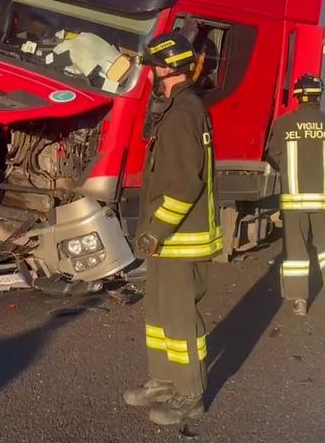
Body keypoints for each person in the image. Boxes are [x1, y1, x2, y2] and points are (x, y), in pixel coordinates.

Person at [123, 32, 221, 425]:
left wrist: (156, 231)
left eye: (153, 67)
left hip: (180, 237)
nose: (150, 75)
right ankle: (163, 380)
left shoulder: (183, 114)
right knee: (159, 313)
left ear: (165, 67)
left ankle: (189, 393)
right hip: (168, 239)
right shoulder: (177, 108)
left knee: (179, 319)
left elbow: (185, 184)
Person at [265, 74, 325, 316]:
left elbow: (273, 155)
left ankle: (299, 300)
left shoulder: (283, 124)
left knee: (297, 250)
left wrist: (291, 171)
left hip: (294, 200)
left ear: (297, 97)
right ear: (318, 97)